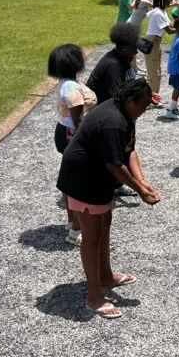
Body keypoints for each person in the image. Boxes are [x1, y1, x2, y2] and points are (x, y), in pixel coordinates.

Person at [56, 79, 162, 319]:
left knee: (104, 226)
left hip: (97, 176)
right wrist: (139, 190)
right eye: (144, 105)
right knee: (92, 237)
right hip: (82, 177)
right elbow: (114, 164)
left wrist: (141, 181)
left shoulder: (126, 114)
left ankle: (105, 276)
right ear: (130, 100)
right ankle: (93, 296)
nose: (145, 110)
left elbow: (129, 150)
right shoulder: (113, 121)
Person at [48, 44, 97, 246]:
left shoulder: (66, 83)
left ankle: (71, 222)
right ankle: (76, 230)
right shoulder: (71, 87)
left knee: (70, 177)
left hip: (66, 131)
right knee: (78, 180)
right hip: (72, 133)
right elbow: (78, 120)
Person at [86, 22, 140, 104]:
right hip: (101, 106)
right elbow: (118, 97)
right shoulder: (113, 66)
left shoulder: (123, 57)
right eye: (134, 48)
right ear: (124, 49)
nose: (136, 52)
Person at [143, 0, 174, 106]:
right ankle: (150, 98)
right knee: (154, 73)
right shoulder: (158, 13)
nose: (170, 0)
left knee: (157, 72)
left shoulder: (161, 12)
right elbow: (169, 30)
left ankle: (154, 96)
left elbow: (170, 25)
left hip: (156, 42)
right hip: (152, 42)